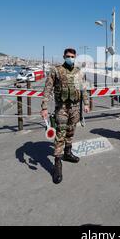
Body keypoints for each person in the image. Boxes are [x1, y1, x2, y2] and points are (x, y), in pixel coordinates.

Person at [41, 48, 90, 184]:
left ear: (75, 57)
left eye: (72, 56)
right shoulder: (56, 70)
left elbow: (84, 89)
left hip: (75, 108)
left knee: (71, 131)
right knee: (60, 134)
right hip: (61, 108)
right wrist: (44, 107)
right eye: (68, 56)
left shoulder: (79, 72)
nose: (70, 58)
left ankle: (67, 153)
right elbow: (47, 89)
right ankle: (57, 163)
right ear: (64, 56)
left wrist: (86, 103)